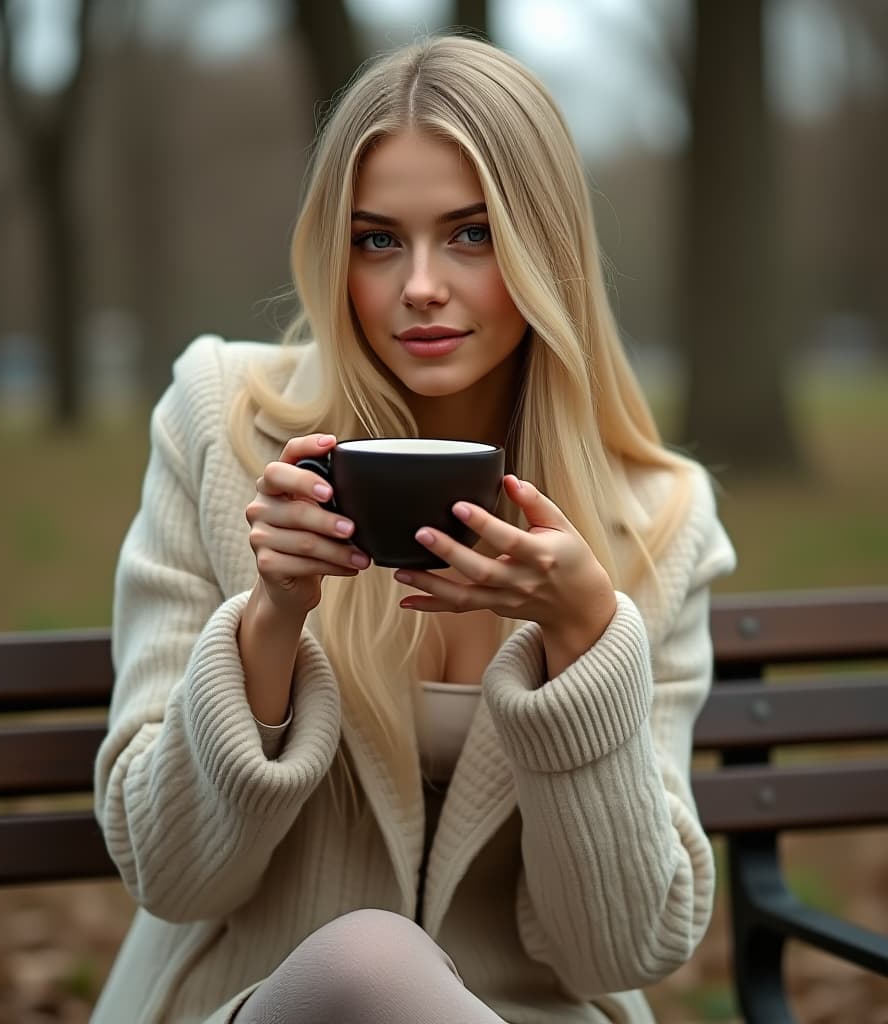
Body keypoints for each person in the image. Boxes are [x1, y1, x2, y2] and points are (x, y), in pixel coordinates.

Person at [92, 32, 736, 1024]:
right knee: (369, 966)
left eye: (470, 233)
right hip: (270, 1001)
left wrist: (583, 642)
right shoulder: (222, 429)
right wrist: (270, 617)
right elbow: (168, 874)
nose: (420, 284)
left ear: (543, 246)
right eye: (377, 238)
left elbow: (620, 946)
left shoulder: (653, 520)